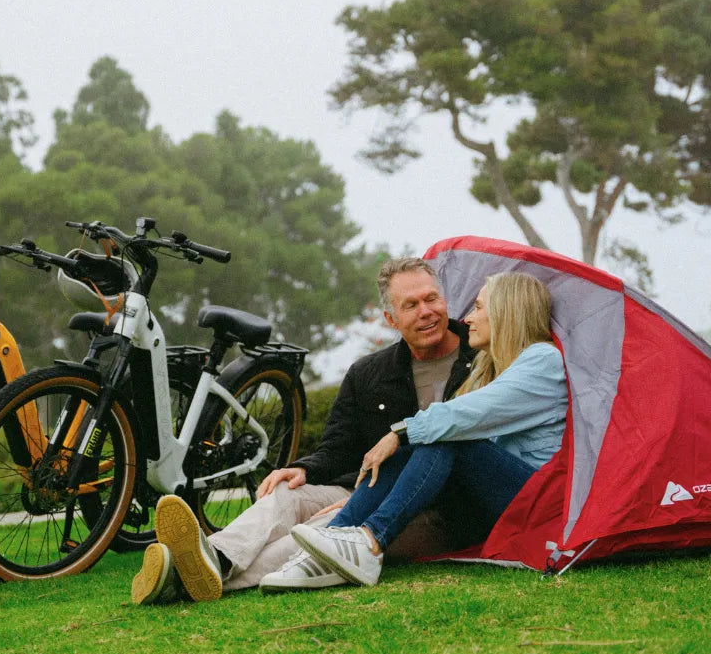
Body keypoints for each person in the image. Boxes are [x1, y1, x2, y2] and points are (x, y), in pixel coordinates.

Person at [130, 256, 477, 604]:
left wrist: (358, 505)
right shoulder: (368, 373)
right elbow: (337, 448)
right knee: (286, 494)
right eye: (411, 305)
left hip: (435, 510)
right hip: (363, 489)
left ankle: (187, 576)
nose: (426, 311)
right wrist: (302, 469)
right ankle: (215, 557)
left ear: (444, 299)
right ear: (391, 319)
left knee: (324, 530)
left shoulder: (482, 356)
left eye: (431, 298)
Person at [290, 272, 568, 587]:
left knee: (444, 437)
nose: (467, 319)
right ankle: (334, 538)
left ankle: (370, 541)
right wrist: (364, 500)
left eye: (478, 308)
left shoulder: (543, 361)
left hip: (540, 508)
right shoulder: (492, 365)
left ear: (506, 313)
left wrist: (398, 432)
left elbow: (462, 417)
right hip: (500, 502)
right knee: (427, 440)